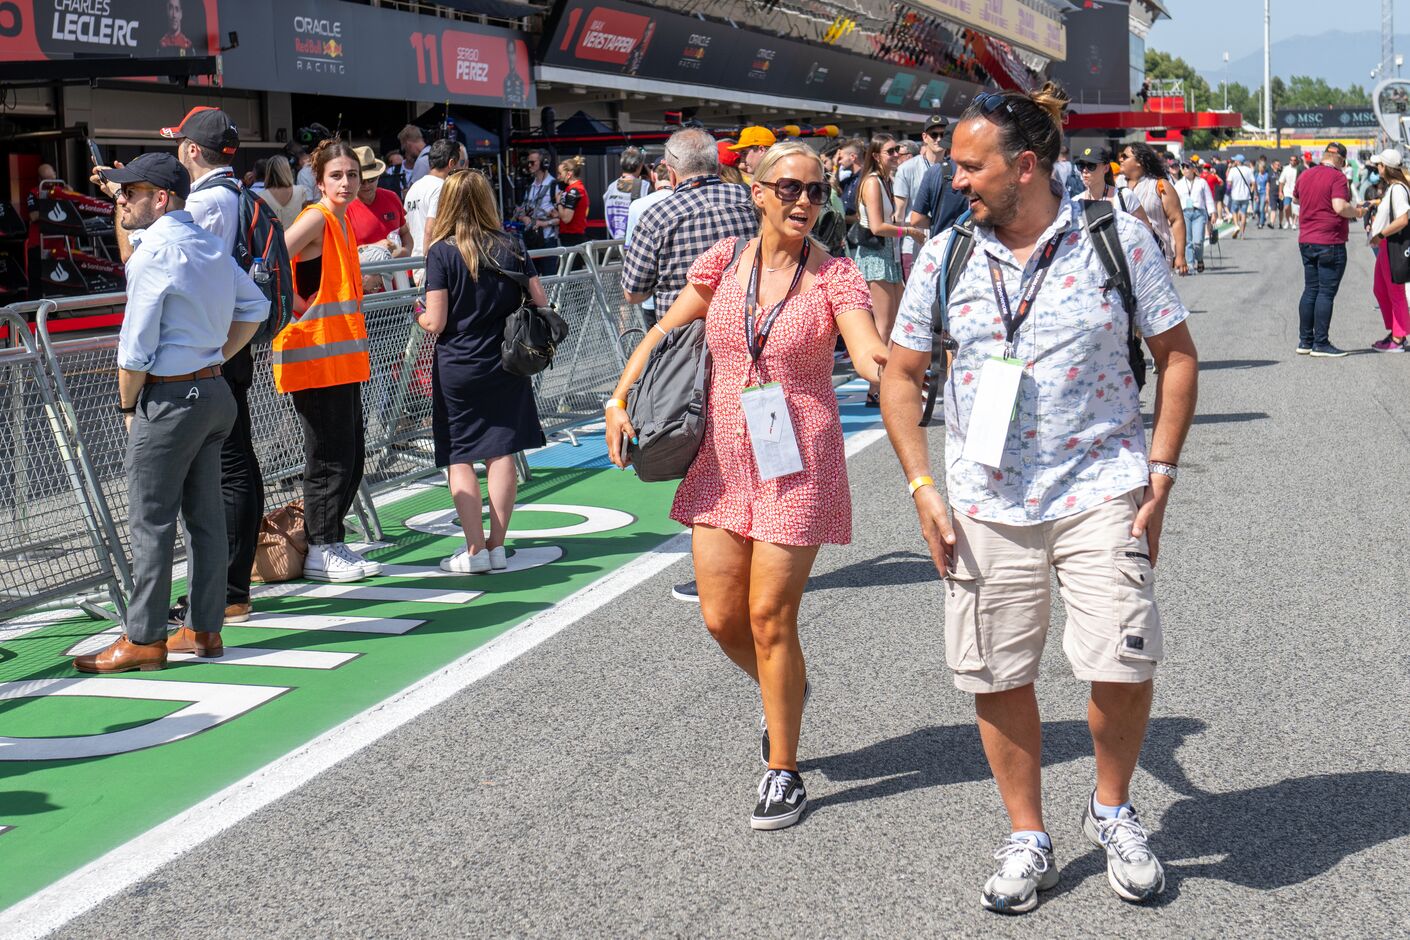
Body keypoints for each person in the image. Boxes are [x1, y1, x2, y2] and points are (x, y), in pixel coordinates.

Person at [881, 82, 1199, 915]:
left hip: (1102, 486)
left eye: (970, 165)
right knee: (996, 670)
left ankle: (1113, 809)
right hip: (984, 501)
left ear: (1025, 167)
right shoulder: (947, 254)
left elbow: (1177, 357)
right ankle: (1029, 834)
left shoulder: (1116, 238)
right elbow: (903, 375)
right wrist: (922, 487)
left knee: (1122, 660)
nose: (955, 180)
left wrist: (1159, 476)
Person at [605, 141, 887, 830]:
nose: (804, 202)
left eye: (818, 192)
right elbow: (663, 333)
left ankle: (783, 769)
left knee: (769, 618)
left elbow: (870, 352)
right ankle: (786, 687)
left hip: (798, 464)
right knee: (720, 617)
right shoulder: (723, 262)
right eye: (790, 188)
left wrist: (908, 362)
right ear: (755, 190)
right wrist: (620, 397)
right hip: (722, 463)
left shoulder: (835, 278)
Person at [72, 153, 266, 672]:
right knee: (204, 519)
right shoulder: (204, 241)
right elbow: (256, 306)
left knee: (151, 520)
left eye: (129, 193)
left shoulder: (153, 252)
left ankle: (143, 637)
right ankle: (203, 629)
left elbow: (133, 351)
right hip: (212, 393)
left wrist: (129, 406)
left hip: (172, 398)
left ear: (160, 198)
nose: (121, 200)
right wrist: (216, 356)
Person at [621, 126, 761, 603]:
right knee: (749, 449)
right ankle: (753, 562)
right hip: (752, 335)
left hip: (683, 347)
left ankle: (717, 576)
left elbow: (634, 288)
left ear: (670, 169)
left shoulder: (660, 213)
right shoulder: (748, 202)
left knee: (701, 454)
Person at [415, 170, 548, 572]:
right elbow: (541, 300)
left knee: (460, 455)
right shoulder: (512, 244)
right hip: (507, 361)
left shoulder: (442, 251)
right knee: (500, 450)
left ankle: (473, 551)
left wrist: (419, 312)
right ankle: (496, 545)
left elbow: (435, 322)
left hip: (459, 364)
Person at [279, 139, 379, 582]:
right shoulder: (318, 217)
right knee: (328, 457)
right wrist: (302, 307)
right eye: (337, 175)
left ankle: (331, 539)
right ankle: (321, 546)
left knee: (350, 454)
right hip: (315, 356)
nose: (346, 182)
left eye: (352, 175)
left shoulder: (340, 220)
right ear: (318, 181)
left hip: (336, 358)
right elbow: (273, 258)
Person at [856, 133, 926, 405]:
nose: (896, 154)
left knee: (896, 324)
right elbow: (876, 227)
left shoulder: (885, 180)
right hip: (876, 254)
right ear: (876, 156)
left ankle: (886, 382)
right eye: (890, 151)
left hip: (888, 253)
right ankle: (876, 387)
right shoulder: (873, 182)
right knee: (883, 327)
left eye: (897, 149)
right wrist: (909, 230)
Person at [1293, 142, 1365, 358]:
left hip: (1306, 239)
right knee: (1325, 292)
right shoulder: (1337, 177)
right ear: (1341, 161)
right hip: (1329, 240)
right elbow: (1340, 207)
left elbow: (1296, 198)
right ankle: (1321, 343)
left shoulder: (1305, 174)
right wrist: (1358, 212)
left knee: (1310, 289)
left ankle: (1305, 341)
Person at [346, 145, 412, 291]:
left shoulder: (392, 197)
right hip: (364, 292)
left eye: (372, 179)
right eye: (363, 180)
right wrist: (377, 249)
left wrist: (405, 251)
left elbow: (405, 232)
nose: (367, 185)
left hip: (399, 286)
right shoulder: (344, 208)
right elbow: (342, 253)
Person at [1119, 143, 1186, 274]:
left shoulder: (1160, 186)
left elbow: (1177, 220)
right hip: (1124, 259)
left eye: (1125, 156)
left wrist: (1180, 256)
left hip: (1155, 258)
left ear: (1139, 162)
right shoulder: (1116, 185)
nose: (1120, 159)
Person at [894, 116, 948, 280]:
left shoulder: (955, 168)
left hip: (946, 243)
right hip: (915, 245)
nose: (938, 139)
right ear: (925, 137)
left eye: (942, 135)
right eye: (934, 135)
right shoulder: (906, 169)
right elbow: (899, 216)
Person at [1367, 148, 1410, 352]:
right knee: (1381, 288)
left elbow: (1403, 219)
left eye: (1379, 165)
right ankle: (1396, 331)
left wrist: (1381, 234)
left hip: (1392, 244)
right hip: (1387, 245)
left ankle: (1399, 337)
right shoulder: (1394, 187)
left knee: (1395, 292)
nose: (1377, 168)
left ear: (1386, 167)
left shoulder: (1397, 189)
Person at [623, 163, 674, 325]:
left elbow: (630, 250)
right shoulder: (686, 201)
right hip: (684, 296)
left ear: (654, 176)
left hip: (652, 295)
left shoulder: (637, 205)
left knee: (655, 347)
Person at [404, 138, 461, 265]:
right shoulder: (441, 188)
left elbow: (406, 227)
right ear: (451, 163)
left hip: (412, 261)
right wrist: (428, 264)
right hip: (429, 262)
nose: (460, 167)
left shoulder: (413, 188)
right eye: (459, 163)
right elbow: (430, 229)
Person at [515, 148, 562, 276]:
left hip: (547, 240)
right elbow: (522, 211)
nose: (529, 166)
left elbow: (560, 218)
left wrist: (542, 224)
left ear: (544, 164)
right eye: (528, 163)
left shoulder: (554, 186)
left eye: (532, 162)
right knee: (532, 280)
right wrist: (524, 218)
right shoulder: (530, 187)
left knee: (550, 280)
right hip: (531, 240)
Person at [1073, 147, 1148, 223]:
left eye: (1091, 166)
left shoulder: (1124, 196)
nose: (1084, 170)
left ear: (1106, 168)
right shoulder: (1075, 202)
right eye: (1081, 165)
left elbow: (1146, 230)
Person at [1174, 161, 1216, 274]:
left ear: (1193, 169)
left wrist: (1212, 213)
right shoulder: (1178, 184)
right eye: (1183, 167)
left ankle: (1200, 259)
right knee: (1187, 241)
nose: (1185, 169)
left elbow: (1208, 198)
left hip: (1199, 213)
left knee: (1198, 241)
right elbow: (1175, 201)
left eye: (1187, 167)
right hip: (1184, 213)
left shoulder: (1202, 182)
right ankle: (1190, 265)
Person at [602, 147, 650, 240]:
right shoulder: (645, 186)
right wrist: (651, 175)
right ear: (640, 165)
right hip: (636, 242)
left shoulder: (612, 187)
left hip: (615, 242)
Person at [257, 153, 311, 231]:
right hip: (298, 240)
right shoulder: (301, 191)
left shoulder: (260, 196)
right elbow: (307, 222)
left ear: (268, 172)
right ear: (287, 170)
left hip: (273, 241)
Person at [556, 157, 590, 247]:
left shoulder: (575, 190)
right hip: (569, 236)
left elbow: (567, 219)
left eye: (560, 173)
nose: (558, 177)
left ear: (569, 174)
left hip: (573, 238)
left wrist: (558, 203)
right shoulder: (571, 189)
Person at [1224, 154, 1254, 238]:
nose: (1234, 162)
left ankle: (1236, 225)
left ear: (1238, 161)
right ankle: (1243, 233)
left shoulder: (1233, 170)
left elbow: (1229, 183)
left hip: (1235, 195)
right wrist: (1251, 191)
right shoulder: (1248, 170)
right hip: (1245, 196)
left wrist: (1227, 193)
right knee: (1244, 214)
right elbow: (1253, 182)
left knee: (1234, 211)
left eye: (1235, 160)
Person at [1278, 154, 1301, 229]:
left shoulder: (1299, 169)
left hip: (1297, 192)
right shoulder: (1286, 169)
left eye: (1294, 160)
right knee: (1286, 207)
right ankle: (1288, 220)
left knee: (1296, 209)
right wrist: (1280, 192)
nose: (1293, 161)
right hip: (1287, 191)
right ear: (1289, 161)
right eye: (1291, 160)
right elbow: (1281, 181)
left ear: (1297, 161)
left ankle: (1294, 223)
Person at [1254, 156, 1271, 230]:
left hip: (1263, 193)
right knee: (1256, 209)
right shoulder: (1256, 175)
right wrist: (1255, 194)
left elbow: (1267, 185)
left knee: (1261, 209)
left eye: (1262, 167)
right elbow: (1254, 184)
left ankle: (1261, 223)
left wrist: (1267, 195)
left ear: (1264, 168)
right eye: (1259, 167)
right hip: (1257, 192)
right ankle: (1262, 218)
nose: (1260, 169)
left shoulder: (1266, 175)